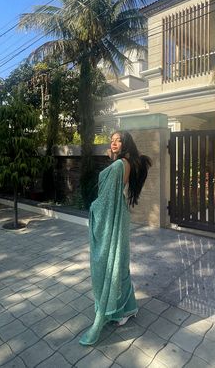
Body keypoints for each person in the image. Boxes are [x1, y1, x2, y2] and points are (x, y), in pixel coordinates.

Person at [79, 130, 152, 346]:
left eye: (118, 140)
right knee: (119, 262)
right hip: (118, 214)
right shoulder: (123, 163)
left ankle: (116, 310)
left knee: (109, 263)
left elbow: (105, 198)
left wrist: (93, 208)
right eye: (111, 140)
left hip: (112, 215)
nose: (113, 143)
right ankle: (127, 308)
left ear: (126, 142)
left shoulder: (120, 165)